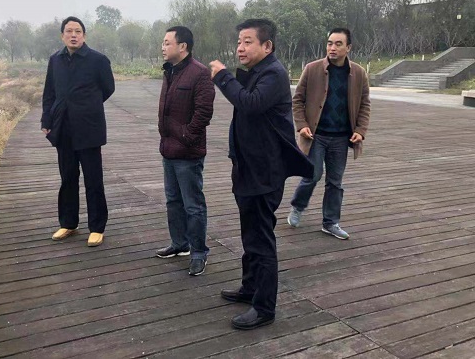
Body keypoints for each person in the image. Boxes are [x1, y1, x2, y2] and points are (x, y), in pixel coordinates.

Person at [209, 19, 313, 330]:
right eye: (238, 42)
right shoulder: (258, 71)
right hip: (249, 168)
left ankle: (265, 307)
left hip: (264, 172)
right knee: (250, 233)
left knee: (261, 238)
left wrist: (223, 77)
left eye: (247, 42)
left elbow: (250, 104)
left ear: (267, 46)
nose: (240, 48)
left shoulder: (274, 74)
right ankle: (250, 287)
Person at [287, 27, 371, 240]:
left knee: (335, 182)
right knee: (312, 175)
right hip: (316, 135)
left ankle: (330, 222)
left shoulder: (358, 73)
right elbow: (297, 100)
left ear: (348, 47)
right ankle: (298, 206)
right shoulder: (312, 69)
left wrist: (360, 130)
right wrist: (301, 125)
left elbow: (364, 104)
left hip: (341, 137)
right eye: (329, 43)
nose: (332, 48)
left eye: (338, 44)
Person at [41, 16, 115, 246]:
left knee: (93, 179)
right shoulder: (55, 60)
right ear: (62, 35)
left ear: (84, 35)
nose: (73, 35)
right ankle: (68, 223)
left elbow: (108, 88)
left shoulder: (97, 60)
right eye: (69, 31)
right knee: (67, 177)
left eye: (78, 31)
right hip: (63, 127)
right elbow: (49, 92)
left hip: (89, 128)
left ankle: (97, 227)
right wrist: (47, 119)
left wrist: (88, 105)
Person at [156, 26, 215, 276]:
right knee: (173, 201)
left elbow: (204, 112)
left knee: (193, 205)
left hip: (188, 153)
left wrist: (186, 136)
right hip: (168, 149)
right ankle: (180, 244)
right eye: (163, 42)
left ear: (183, 46)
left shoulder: (199, 73)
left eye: (167, 43)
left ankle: (199, 252)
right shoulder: (170, 71)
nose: (163, 47)